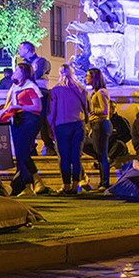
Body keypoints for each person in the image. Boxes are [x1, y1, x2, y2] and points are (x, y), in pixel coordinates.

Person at [1, 60, 46, 196]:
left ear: (24, 73)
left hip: (29, 119)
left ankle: (35, 179)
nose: (14, 72)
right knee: (20, 153)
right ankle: (27, 186)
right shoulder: (14, 87)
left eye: (17, 70)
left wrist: (18, 106)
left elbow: (37, 107)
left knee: (22, 149)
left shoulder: (31, 86)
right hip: (18, 119)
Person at [49, 65, 89, 195]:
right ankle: (75, 184)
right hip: (79, 124)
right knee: (76, 156)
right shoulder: (81, 89)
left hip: (62, 125)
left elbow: (52, 111)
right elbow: (87, 108)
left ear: (60, 73)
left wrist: (50, 126)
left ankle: (66, 185)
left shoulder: (56, 90)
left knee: (64, 157)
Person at [85, 67, 114, 191]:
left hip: (101, 124)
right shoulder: (96, 92)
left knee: (101, 154)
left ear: (94, 78)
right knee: (98, 153)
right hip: (96, 125)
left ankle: (105, 182)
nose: (85, 78)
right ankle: (104, 180)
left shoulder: (101, 92)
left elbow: (105, 110)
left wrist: (91, 110)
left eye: (88, 76)